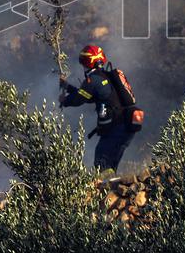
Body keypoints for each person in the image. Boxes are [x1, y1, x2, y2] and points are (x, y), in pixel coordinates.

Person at [59, 45, 142, 173]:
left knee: (102, 162)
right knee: (110, 164)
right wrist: (68, 87)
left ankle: (105, 190)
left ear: (86, 62)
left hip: (116, 127)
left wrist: (64, 101)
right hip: (126, 126)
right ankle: (111, 189)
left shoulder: (92, 80)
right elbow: (90, 96)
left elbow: (79, 99)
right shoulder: (106, 76)